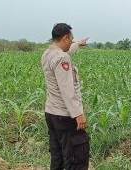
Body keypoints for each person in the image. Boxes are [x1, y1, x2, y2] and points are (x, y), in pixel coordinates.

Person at [41, 23, 90, 170]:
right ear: (65, 38)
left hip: (52, 113)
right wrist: (78, 114)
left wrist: (78, 44)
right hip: (65, 116)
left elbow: (65, 53)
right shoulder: (62, 58)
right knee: (76, 157)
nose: (72, 42)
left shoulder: (47, 54)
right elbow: (67, 91)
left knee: (58, 156)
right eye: (72, 39)